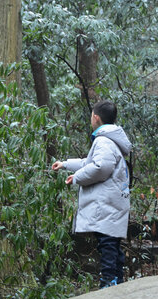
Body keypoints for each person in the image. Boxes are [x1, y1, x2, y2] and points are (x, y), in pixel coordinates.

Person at [52, 100, 132, 288]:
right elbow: (90, 162)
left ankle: (109, 282)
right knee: (111, 243)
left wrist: (77, 177)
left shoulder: (103, 140)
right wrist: (65, 164)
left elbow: (101, 167)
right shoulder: (109, 140)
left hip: (106, 204)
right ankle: (117, 280)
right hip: (112, 203)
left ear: (95, 117)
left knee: (107, 244)